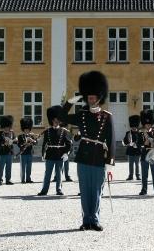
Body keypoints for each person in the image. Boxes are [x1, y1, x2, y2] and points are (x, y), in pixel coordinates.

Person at [58, 71, 115, 231]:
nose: (90, 98)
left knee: (97, 190)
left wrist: (110, 162)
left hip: (98, 157)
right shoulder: (81, 115)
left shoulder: (106, 116)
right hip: (83, 157)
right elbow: (62, 116)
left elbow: (110, 140)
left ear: (99, 97)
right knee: (84, 190)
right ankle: (86, 220)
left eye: (93, 96)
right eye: (88, 96)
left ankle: (94, 220)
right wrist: (71, 101)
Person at [38, 106, 72, 196]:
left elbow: (69, 144)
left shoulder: (64, 131)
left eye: (58, 119)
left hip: (59, 154)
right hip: (49, 154)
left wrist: (66, 153)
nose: (57, 121)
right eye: (55, 119)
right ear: (52, 120)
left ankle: (59, 189)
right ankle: (44, 190)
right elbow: (44, 144)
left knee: (59, 173)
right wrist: (43, 154)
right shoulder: (47, 131)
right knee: (47, 174)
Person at [139, 109, 154, 196]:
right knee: (144, 174)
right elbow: (137, 144)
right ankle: (144, 189)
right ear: (144, 124)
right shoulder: (141, 133)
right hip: (144, 153)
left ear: (151, 123)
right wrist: (143, 144)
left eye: (149, 124)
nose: (148, 125)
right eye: (146, 124)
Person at [0, 115, 16, 185]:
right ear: (4, 126)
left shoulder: (12, 133)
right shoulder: (0, 133)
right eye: (6, 127)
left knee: (9, 167)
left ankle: (8, 180)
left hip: (10, 152)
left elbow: (16, 141)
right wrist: (3, 143)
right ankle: (0, 180)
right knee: (1, 167)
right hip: (3, 152)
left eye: (8, 127)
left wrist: (12, 141)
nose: (7, 128)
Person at [18, 117, 37, 183]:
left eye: (28, 130)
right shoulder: (20, 136)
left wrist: (32, 140)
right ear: (23, 130)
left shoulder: (31, 136)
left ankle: (28, 179)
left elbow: (36, 143)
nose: (27, 131)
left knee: (29, 167)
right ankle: (23, 179)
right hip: (23, 153)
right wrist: (25, 143)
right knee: (23, 167)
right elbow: (19, 145)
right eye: (25, 129)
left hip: (30, 153)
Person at [122, 115, 141, 181]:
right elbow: (125, 140)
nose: (134, 128)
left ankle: (138, 175)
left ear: (136, 127)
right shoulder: (128, 133)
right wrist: (128, 143)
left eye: (135, 127)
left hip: (137, 151)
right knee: (131, 164)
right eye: (133, 127)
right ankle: (130, 176)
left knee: (137, 164)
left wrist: (137, 145)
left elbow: (141, 141)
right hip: (130, 150)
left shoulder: (139, 133)